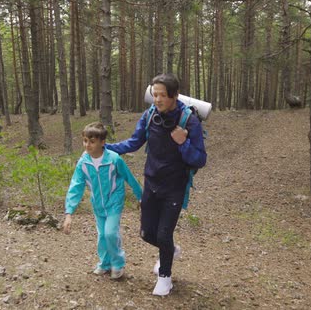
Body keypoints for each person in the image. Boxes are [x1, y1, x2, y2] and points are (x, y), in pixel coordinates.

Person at [105, 73, 207, 296]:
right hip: (151, 183)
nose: (157, 99)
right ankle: (170, 250)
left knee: (163, 234)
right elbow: (134, 142)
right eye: (155, 94)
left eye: (162, 95)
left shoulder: (189, 121)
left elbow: (200, 159)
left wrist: (183, 143)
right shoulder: (150, 114)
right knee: (146, 233)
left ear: (175, 95)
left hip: (175, 187)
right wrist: (106, 148)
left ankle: (165, 277)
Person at [62, 122, 143, 280]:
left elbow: (129, 178)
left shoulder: (114, 159)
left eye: (92, 141)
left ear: (102, 142)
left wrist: (141, 196)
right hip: (98, 204)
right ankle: (105, 264)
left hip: (114, 201)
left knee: (111, 232)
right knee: (102, 236)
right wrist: (69, 213)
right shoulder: (83, 163)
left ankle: (118, 264)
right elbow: (75, 187)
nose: (87, 145)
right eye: (85, 140)